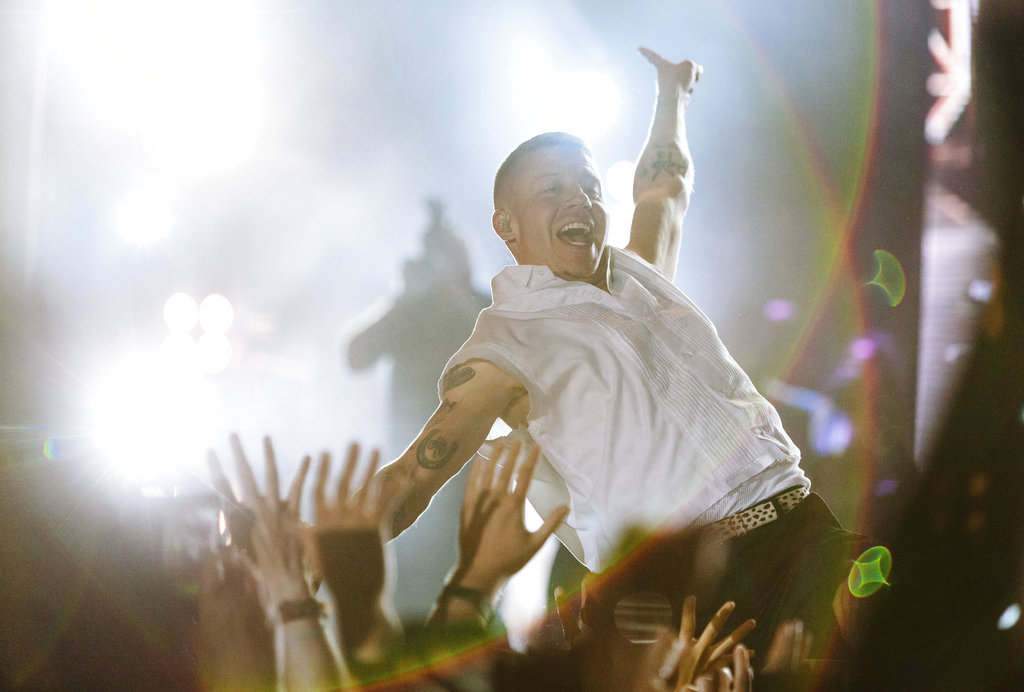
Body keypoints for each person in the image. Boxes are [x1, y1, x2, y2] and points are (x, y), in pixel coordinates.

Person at [373, 47, 862, 659]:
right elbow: (418, 473)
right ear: (507, 226)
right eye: (553, 189)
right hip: (689, 586)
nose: (579, 199)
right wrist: (318, 549)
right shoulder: (504, 343)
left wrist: (673, 94)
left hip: (800, 527)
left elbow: (665, 188)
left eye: (590, 186)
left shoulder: (638, 274)